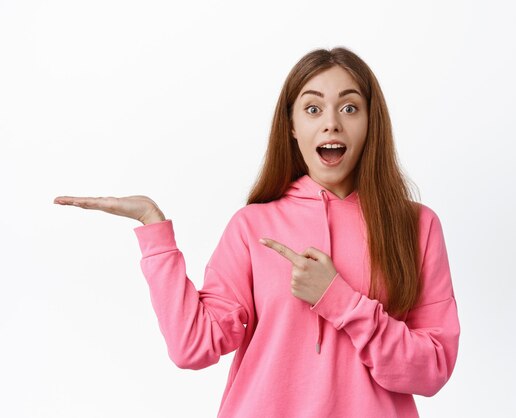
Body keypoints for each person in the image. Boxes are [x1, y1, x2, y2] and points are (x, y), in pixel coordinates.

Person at [54, 46, 460, 418]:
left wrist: (338, 300)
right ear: (292, 127)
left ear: (372, 123)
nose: (332, 124)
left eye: (350, 108)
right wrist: (153, 228)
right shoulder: (253, 227)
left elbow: (432, 370)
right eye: (313, 109)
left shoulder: (416, 226)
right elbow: (192, 347)